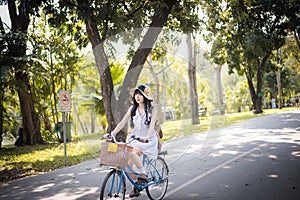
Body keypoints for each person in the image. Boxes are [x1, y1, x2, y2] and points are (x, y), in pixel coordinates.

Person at [109, 84, 159, 197]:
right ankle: (137, 186)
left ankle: (144, 174)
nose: (137, 96)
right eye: (136, 94)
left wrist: (147, 137)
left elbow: (151, 126)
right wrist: (113, 133)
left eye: (140, 94)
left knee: (130, 151)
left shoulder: (152, 109)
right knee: (127, 165)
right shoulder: (132, 109)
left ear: (145, 96)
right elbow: (122, 123)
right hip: (135, 137)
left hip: (148, 139)